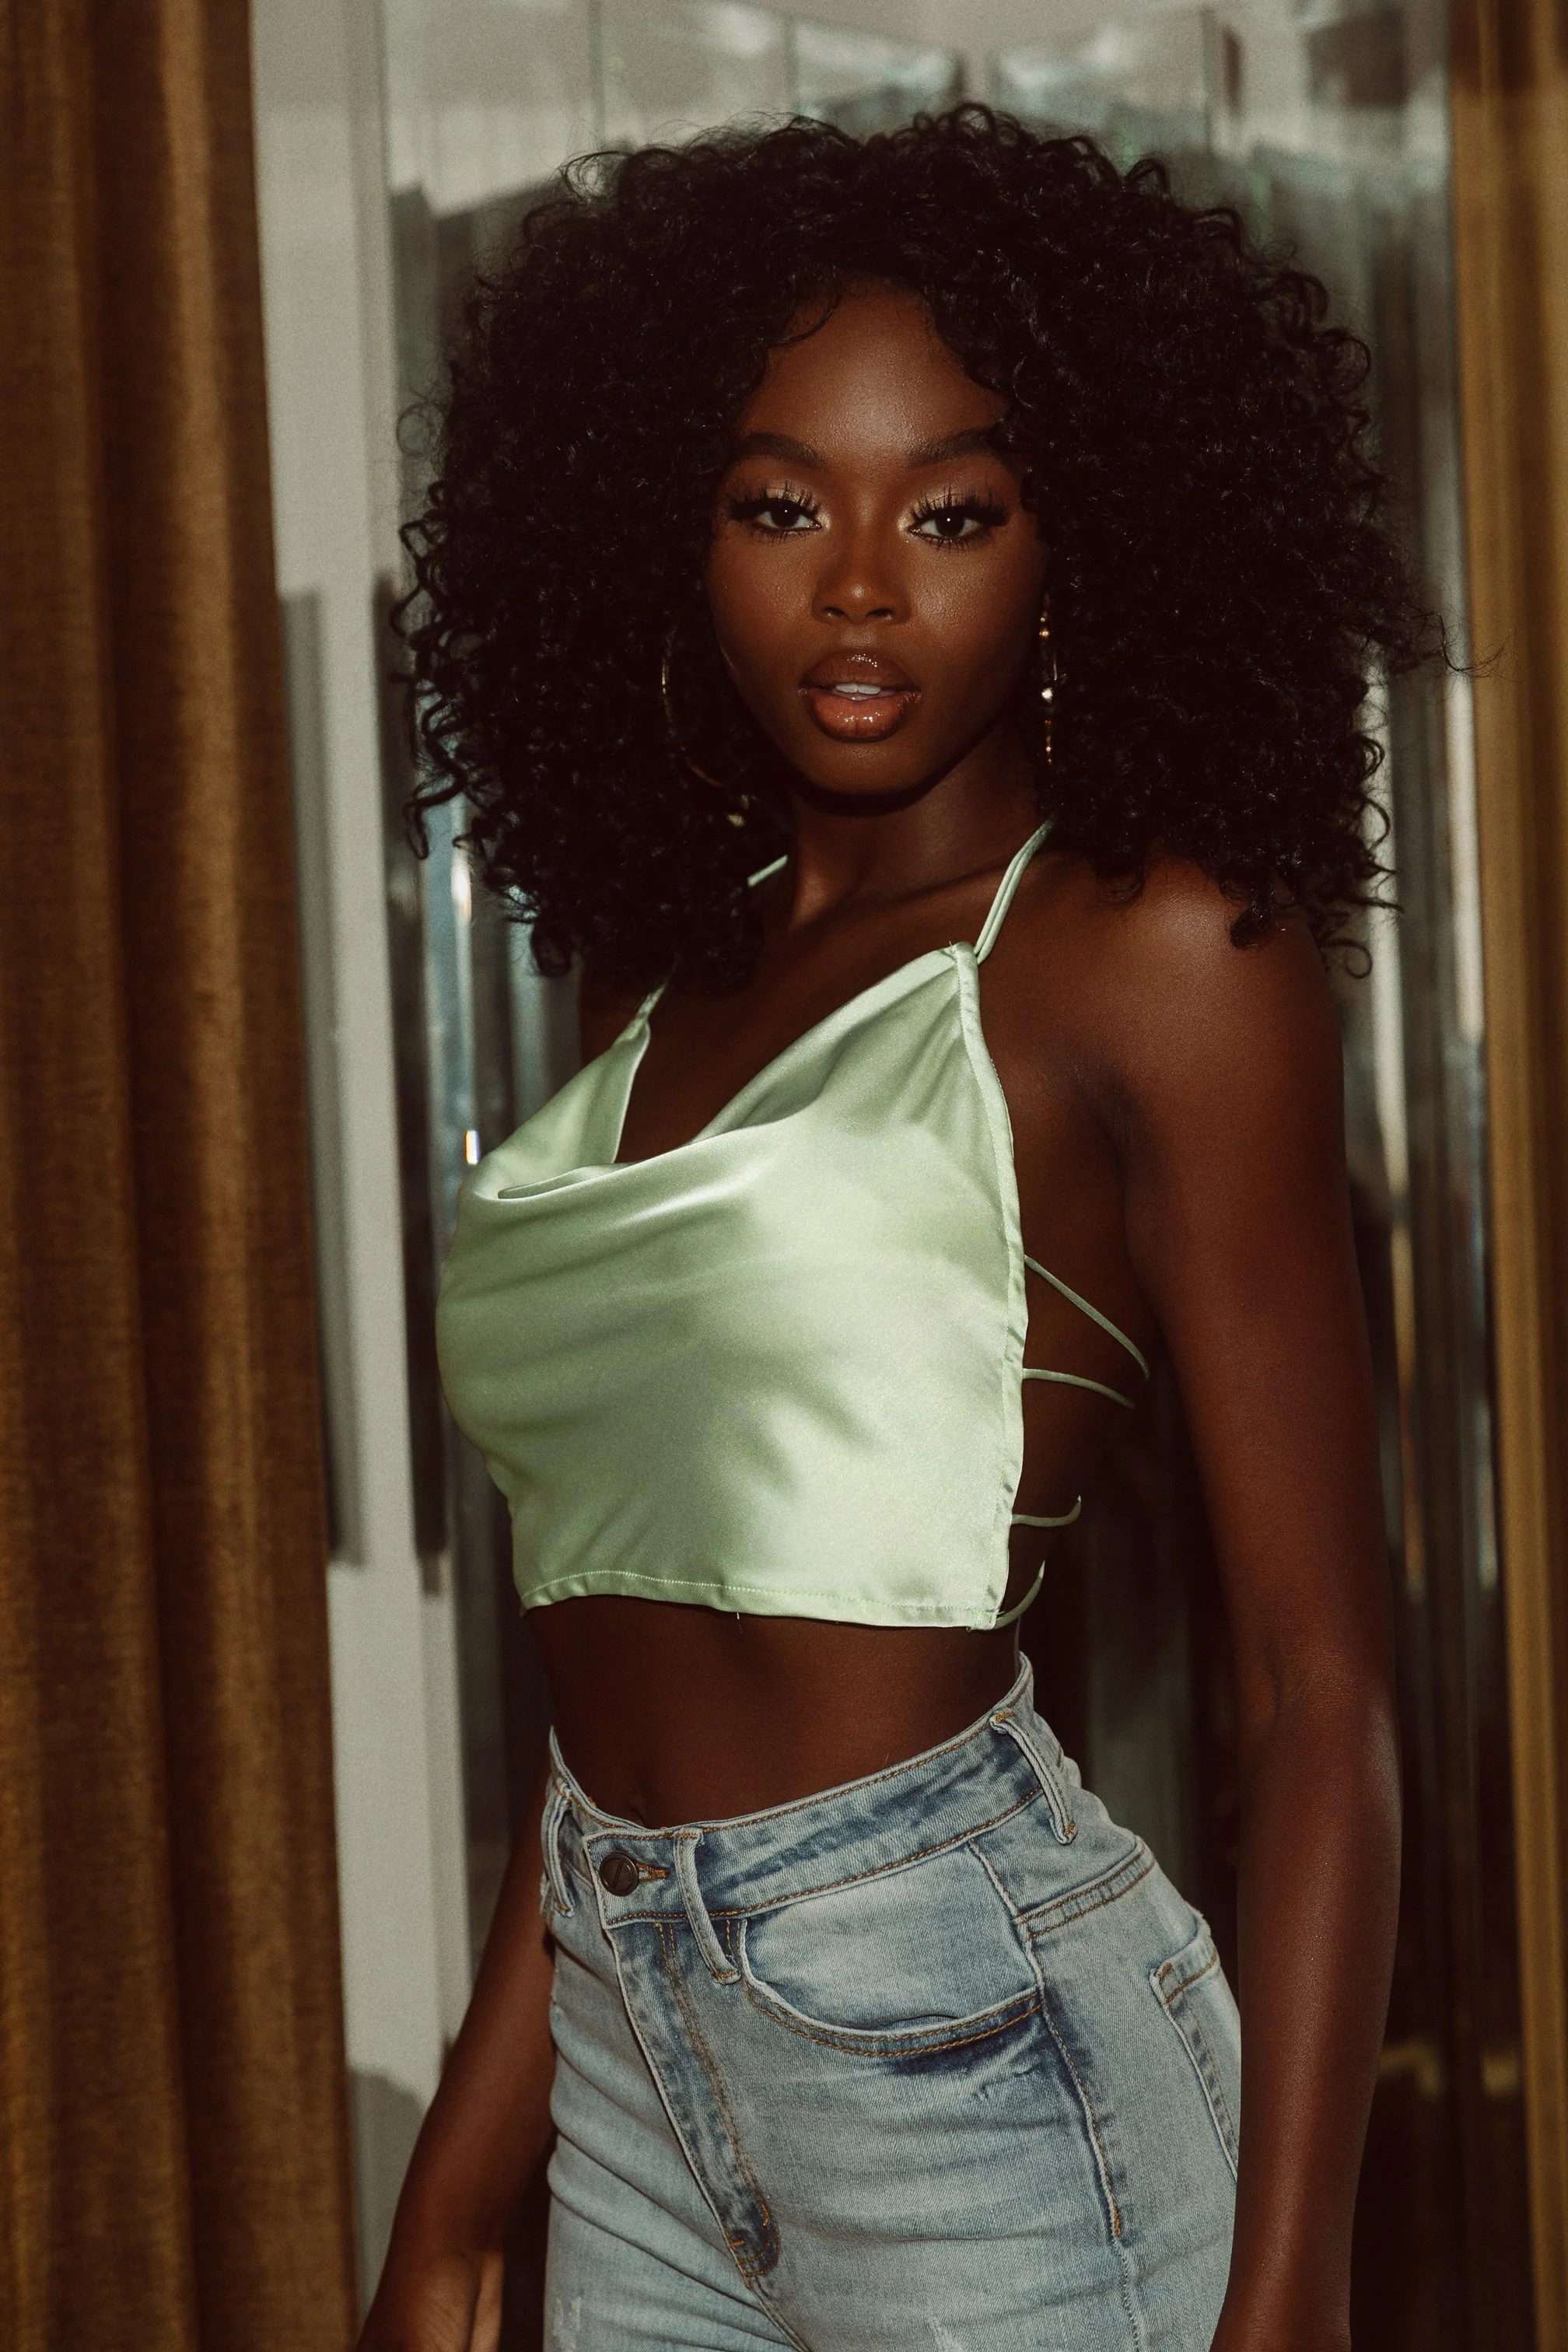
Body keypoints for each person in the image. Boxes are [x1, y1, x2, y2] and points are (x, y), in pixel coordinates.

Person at [363, 107, 1419, 2352]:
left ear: (1074, 543)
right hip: (624, 2042)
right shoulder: (665, 972)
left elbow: (1320, 1693)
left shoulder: (1155, 953)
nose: (859, 587)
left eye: (953, 512)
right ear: (674, 531)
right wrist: (469, 2168)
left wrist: (1296, 2290)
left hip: (978, 2041)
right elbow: (625, 1647)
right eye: (777, 506)